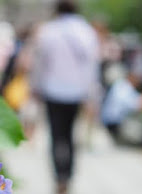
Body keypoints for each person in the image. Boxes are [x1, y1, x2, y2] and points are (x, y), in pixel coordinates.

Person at [30, 1, 99, 193]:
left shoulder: (48, 31)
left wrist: (35, 87)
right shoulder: (87, 32)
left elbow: (40, 64)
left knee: (57, 135)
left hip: (53, 91)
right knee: (70, 134)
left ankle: (59, 176)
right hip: (77, 92)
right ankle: (68, 175)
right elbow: (92, 67)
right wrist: (91, 94)